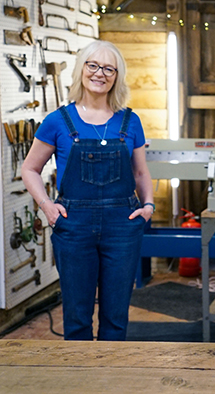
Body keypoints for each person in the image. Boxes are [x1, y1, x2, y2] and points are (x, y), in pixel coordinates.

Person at [22, 40, 154, 341]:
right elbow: (29, 169)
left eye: (109, 68)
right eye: (93, 65)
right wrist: (47, 206)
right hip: (74, 224)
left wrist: (148, 206)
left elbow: (141, 171)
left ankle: (110, 382)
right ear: (82, 69)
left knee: (116, 317)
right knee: (77, 316)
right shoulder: (57, 121)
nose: (100, 73)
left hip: (123, 225)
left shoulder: (130, 121)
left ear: (117, 75)